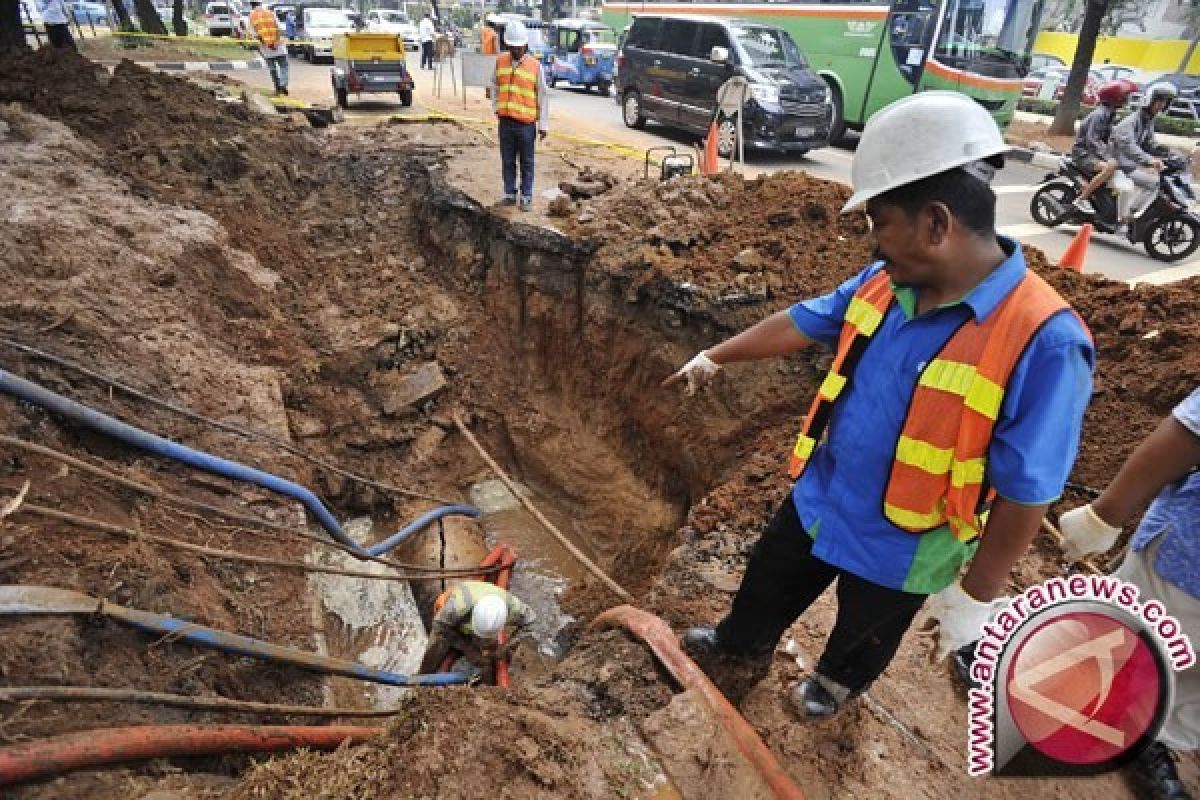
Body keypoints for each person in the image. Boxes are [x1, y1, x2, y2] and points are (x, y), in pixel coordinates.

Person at [665, 91, 1094, 720]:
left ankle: (833, 687)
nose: (873, 245)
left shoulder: (1045, 339)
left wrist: (978, 595)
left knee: (865, 635)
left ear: (936, 224)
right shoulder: (886, 283)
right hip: (823, 500)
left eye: (880, 224)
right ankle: (739, 648)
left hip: (910, 540)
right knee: (766, 583)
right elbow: (804, 321)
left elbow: (1030, 488)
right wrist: (715, 356)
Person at [1057, 388, 1200, 800]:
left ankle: (1158, 734)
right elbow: (1188, 432)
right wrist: (1104, 515)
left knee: (1188, 678)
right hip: (1188, 558)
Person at [418, 580, 536, 681]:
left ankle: (486, 676)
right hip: (447, 612)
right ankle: (423, 677)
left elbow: (531, 622)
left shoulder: (514, 608)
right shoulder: (457, 607)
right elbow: (440, 628)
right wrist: (467, 648)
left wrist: (507, 647)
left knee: (488, 652)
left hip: (475, 615)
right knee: (437, 646)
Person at [488, 20, 549, 212]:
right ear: (508, 45)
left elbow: (543, 95)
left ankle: (526, 196)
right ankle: (509, 193)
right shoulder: (501, 61)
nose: (516, 50)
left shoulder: (535, 66)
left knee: (527, 162)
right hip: (505, 122)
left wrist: (543, 125)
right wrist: (496, 108)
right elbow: (494, 86)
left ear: (525, 45)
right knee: (507, 160)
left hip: (526, 125)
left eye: (519, 47)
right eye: (512, 47)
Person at [1111, 81, 1178, 234]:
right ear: (1150, 100)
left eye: (1165, 101)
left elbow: (1149, 143)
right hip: (1119, 164)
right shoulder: (1132, 121)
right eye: (1160, 100)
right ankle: (1122, 220)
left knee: (1155, 184)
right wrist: (1149, 160)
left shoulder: (1147, 120)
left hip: (1128, 165)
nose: (1162, 105)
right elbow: (1129, 147)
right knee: (1134, 187)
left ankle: (1132, 214)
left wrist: (1169, 154)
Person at [1071, 79, 1137, 214]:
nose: (1128, 99)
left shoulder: (1109, 114)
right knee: (1110, 167)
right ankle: (1082, 198)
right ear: (1116, 97)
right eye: (1125, 96)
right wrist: (1108, 158)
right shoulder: (1099, 115)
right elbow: (1092, 141)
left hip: (1093, 154)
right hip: (1084, 155)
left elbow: (1110, 139)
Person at [248, 0, 288, 96]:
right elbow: (279, 28)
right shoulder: (270, 13)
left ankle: (278, 88)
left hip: (266, 48)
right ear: (260, 4)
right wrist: (276, 42)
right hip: (279, 46)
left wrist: (268, 44)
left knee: (272, 69)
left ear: (251, 5)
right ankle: (283, 85)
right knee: (284, 67)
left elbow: (255, 34)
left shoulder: (252, 16)